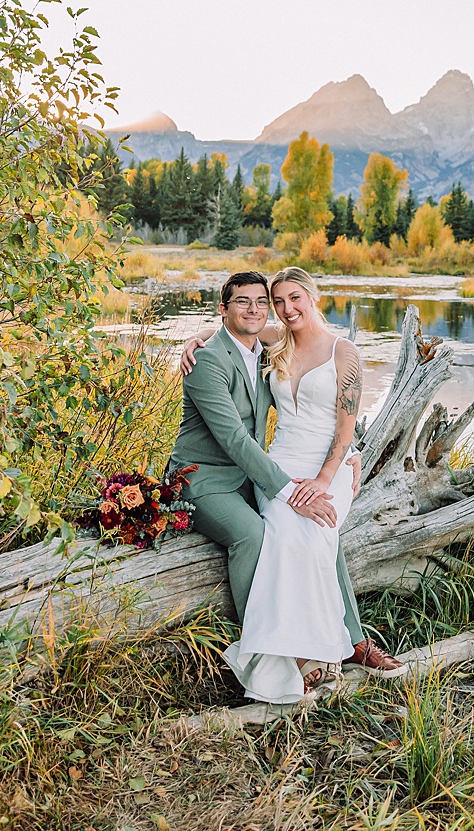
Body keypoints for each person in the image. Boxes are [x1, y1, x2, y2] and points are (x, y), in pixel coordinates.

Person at [170, 268, 406, 702]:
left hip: (301, 468)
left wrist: (346, 456)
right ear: (225, 308)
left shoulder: (288, 345)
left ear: (311, 296)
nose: (277, 309)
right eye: (272, 301)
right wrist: (195, 340)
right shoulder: (224, 356)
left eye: (277, 301)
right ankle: (268, 652)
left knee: (321, 532)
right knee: (263, 535)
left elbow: (343, 420)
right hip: (216, 476)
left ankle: (350, 643)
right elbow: (236, 438)